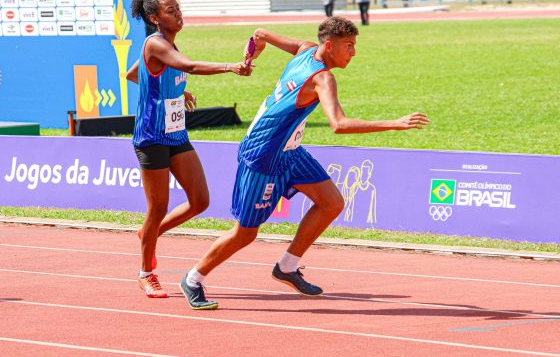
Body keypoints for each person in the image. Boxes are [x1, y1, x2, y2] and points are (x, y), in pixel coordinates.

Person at [179, 16, 429, 309]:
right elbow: (339, 124)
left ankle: (286, 267)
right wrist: (394, 124)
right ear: (329, 45)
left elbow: (261, 32)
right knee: (245, 233)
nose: (353, 52)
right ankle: (193, 279)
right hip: (264, 154)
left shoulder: (305, 49)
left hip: (290, 151)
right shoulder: (322, 77)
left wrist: (255, 44)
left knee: (332, 202)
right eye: (349, 46)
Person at [126, 0, 252, 299]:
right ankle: (147, 273)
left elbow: (133, 73)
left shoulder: (168, 44)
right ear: (155, 18)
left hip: (176, 134)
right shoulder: (155, 44)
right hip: (151, 137)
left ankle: (148, 234)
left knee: (200, 200)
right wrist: (230, 66)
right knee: (158, 207)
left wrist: (175, 93)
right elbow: (191, 67)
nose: (178, 14)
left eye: (178, 8)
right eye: (171, 11)